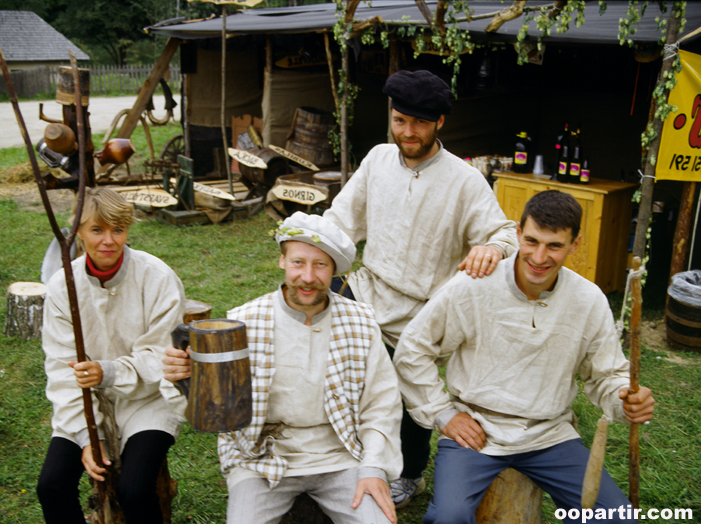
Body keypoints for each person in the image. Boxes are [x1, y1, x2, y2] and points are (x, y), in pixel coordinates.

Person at [393, 190, 655, 524]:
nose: (539, 256)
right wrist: (443, 414)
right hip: (477, 432)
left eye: (555, 246)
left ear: (575, 244)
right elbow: (413, 348)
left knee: (616, 518)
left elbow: (606, 375)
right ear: (517, 234)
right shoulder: (472, 286)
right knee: (449, 517)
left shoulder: (588, 300)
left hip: (549, 434)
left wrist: (625, 399)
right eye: (531, 241)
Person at [323, 69, 518, 506]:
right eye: (400, 121)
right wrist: (314, 250)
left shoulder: (464, 180)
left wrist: (492, 248)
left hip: (423, 309)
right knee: (340, 374)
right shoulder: (376, 159)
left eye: (419, 124)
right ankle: (347, 455)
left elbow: (506, 232)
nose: (408, 133)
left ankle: (409, 473)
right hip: (368, 288)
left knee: (408, 389)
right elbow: (340, 220)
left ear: (440, 123)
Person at [162, 212, 403, 524]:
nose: (307, 277)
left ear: (334, 270)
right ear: (282, 261)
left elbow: (381, 404)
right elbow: (212, 409)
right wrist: (186, 380)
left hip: (342, 457)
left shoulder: (360, 321)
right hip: (260, 458)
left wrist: (372, 467)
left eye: (320, 265)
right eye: (298, 263)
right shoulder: (245, 320)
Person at [36, 187, 186, 524]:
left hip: (147, 399)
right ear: (79, 233)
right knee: (51, 486)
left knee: (134, 490)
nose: (108, 241)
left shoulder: (157, 277)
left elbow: (161, 357)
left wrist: (109, 372)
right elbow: (62, 370)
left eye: (118, 230)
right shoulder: (63, 286)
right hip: (84, 400)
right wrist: (90, 435)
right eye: (97, 230)